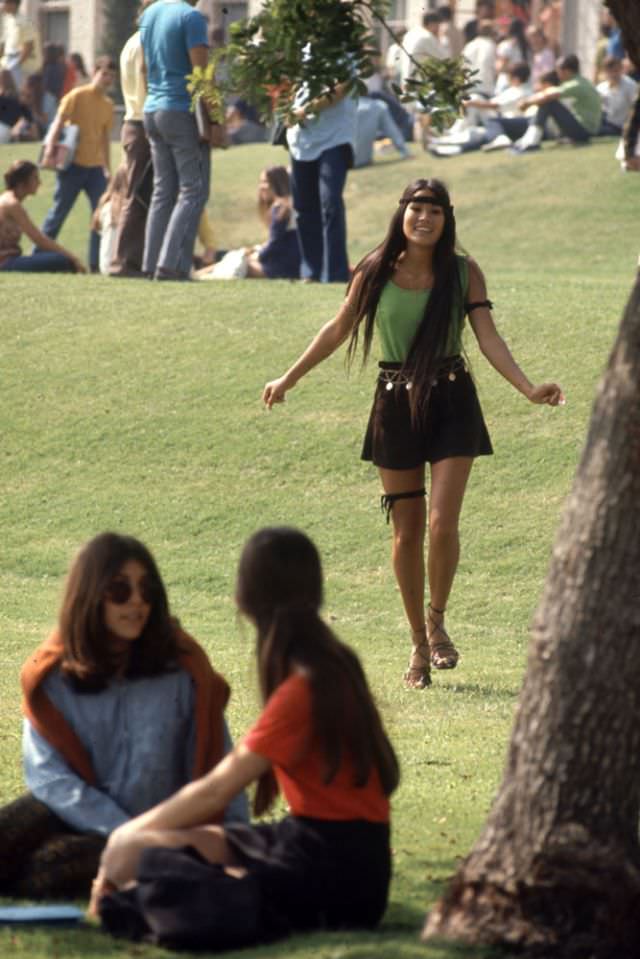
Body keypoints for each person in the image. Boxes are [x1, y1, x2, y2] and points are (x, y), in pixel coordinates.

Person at [262, 179, 564, 690]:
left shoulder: (464, 273)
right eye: (415, 209)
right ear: (401, 214)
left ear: (448, 219)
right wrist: (289, 377)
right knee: (407, 530)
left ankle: (437, 619)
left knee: (442, 524)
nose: (424, 218)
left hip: (451, 400)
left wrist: (528, 388)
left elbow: (487, 337)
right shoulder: (375, 269)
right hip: (395, 404)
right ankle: (418, 645)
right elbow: (337, 328)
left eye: (435, 211)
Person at [92, 527, 398, 951]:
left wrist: (120, 839)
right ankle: (231, 882)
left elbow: (217, 789)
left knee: (139, 856)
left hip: (334, 875)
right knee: (149, 851)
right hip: (329, 850)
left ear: (246, 598)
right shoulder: (334, 663)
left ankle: (227, 889)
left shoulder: (304, 688)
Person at [0, 532, 248, 899]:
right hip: (86, 817)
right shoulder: (52, 675)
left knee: (48, 871)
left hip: (161, 830)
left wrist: (233, 843)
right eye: (120, 590)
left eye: (146, 590)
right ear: (89, 595)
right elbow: (49, 777)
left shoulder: (184, 672)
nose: (137, 602)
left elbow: (218, 766)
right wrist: (120, 828)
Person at [139, 0, 214, 281]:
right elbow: (201, 77)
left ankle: (151, 263)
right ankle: (171, 265)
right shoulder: (191, 17)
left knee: (163, 191)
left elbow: (144, 69)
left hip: (152, 109)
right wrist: (214, 120)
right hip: (180, 110)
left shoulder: (149, 14)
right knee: (193, 190)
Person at [38, 56, 116, 272]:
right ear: (94, 72)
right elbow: (58, 123)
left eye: (111, 76)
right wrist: (49, 150)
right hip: (72, 167)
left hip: (95, 170)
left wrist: (107, 168)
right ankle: (38, 255)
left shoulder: (108, 106)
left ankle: (96, 263)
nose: (107, 79)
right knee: (59, 211)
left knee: (99, 216)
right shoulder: (77, 96)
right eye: (104, 74)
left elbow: (104, 139)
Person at [286, 52, 357, 284]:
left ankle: (335, 275)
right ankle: (311, 272)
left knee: (330, 203)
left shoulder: (343, 44)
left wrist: (307, 110)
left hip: (334, 137)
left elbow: (342, 86)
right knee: (304, 208)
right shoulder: (297, 41)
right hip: (301, 139)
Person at [196, 166, 300, 281]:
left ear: (277, 183)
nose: (261, 187)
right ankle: (199, 274)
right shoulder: (288, 206)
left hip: (280, 267)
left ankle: (199, 276)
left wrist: (258, 255)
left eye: (265, 182)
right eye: (260, 182)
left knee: (237, 258)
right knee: (238, 256)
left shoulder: (280, 207)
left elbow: (276, 243)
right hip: (290, 264)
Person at [109, 8, 153, 278]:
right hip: (143, 121)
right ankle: (124, 262)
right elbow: (147, 81)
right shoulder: (146, 43)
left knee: (139, 194)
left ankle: (132, 260)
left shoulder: (131, 41)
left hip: (133, 121)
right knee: (137, 196)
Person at [0, 159, 84, 271]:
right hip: (5, 262)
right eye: (35, 178)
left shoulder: (8, 199)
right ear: (22, 182)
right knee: (62, 260)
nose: (39, 182)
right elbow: (39, 239)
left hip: (10, 260)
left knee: (59, 259)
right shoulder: (12, 204)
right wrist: (73, 257)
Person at [512, 53, 602, 152]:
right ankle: (530, 138)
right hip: (586, 130)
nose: (557, 75)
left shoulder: (576, 84)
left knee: (549, 103)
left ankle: (532, 140)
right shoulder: (581, 81)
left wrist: (527, 103)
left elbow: (550, 95)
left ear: (567, 71)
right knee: (549, 103)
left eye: (558, 71)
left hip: (585, 131)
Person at [353, 95, 410, 168]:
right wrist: (406, 153)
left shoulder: (341, 106)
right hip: (362, 161)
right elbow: (392, 132)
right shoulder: (379, 107)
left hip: (338, 162)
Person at [0, 0, 41, 89]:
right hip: (9, 62)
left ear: (13, 4)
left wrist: (15, 66)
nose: (2, 5)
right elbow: (4, 44)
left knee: (18, 95)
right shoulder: (9, 20)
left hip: (22, 67)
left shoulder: (24, 22)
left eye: (5, 2)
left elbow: (29, 47)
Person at [597, 55, 638, 137]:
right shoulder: (601, 88)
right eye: (610, 71)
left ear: (621, 69)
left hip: (623, 127)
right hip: (606, 123)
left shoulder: (630, 86)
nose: (613, 74)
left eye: (616, 70)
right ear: (605, 72)